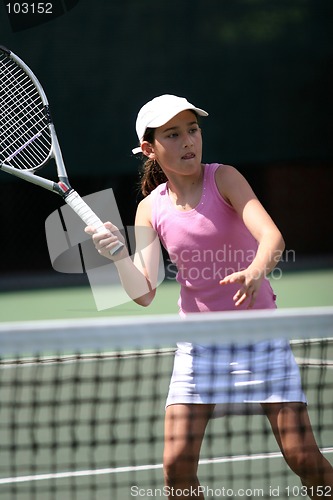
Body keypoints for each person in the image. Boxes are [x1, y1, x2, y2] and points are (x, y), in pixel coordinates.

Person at [85, 94, 333, 499]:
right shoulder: (150, 209)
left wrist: (255, 270)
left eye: (193, 130)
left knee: (303, 457)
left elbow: (272, 237)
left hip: (262, 338)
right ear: (149, 148)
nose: (188, 141)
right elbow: (144, 293)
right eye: (173, 134)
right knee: (176, 466)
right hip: (199, 349)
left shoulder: (225, 178)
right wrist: (116, 257)